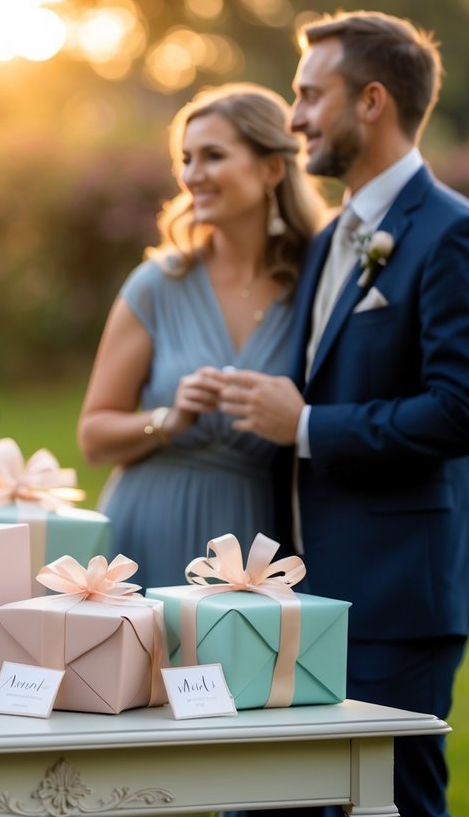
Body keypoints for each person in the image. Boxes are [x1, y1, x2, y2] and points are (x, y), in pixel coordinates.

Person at [219, 12, 469, 817]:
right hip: (301, 583)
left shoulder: (456, 236)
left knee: (387, 802)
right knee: (273, 797)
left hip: (398, 589)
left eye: (309, 95)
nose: (294, 118)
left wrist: (304, 427)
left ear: (372, 101)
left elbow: (463, 412)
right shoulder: (332, 239)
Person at [77, 83, 323, 586]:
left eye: (213, 156)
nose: (192, 175)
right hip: (146, 526)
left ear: (271, 169)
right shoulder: (158, 284)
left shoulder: (316, 287)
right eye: (186, 160)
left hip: (256, 541)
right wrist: (169, 420)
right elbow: (93, 438)